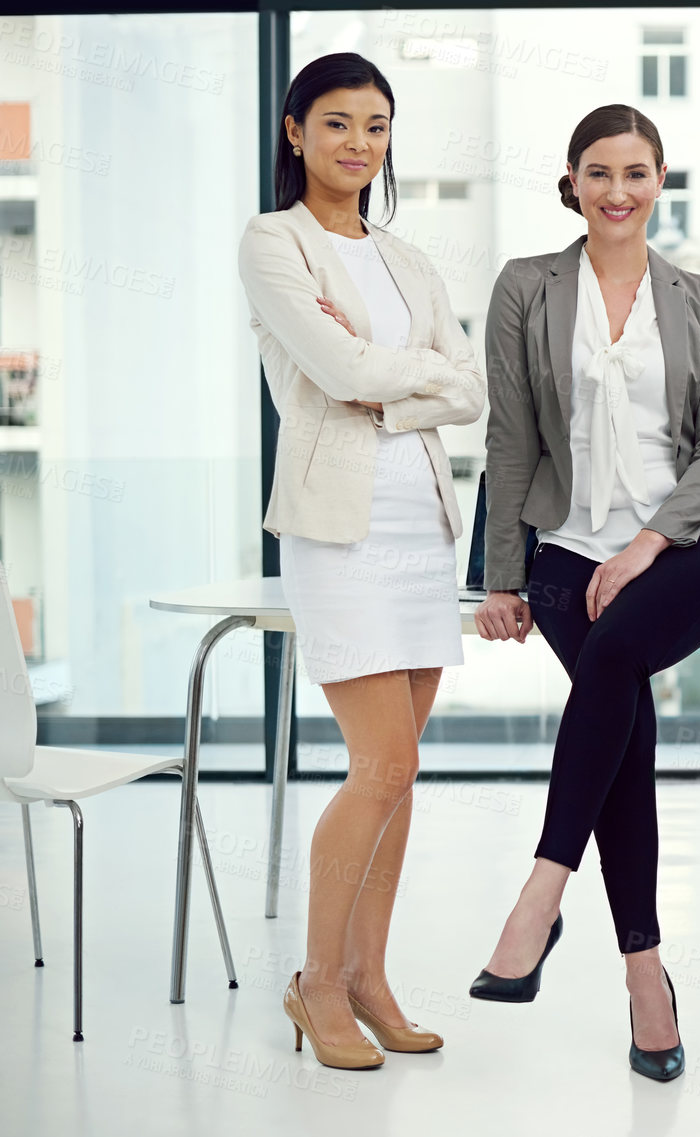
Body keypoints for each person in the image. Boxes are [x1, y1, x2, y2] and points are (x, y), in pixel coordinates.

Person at [470, 104, 700, 1083]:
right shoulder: (527, 287)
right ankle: (647, 981)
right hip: (564, 552)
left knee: (617, 657)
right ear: (574, 181)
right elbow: (510, 439)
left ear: (659, 182)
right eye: (599, 172)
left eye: (636, 173)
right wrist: (501, 578)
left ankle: (542, 891)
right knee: (621, 707)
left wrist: (645, 546)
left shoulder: (699, 297)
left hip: (692, 546)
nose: (617, 191)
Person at [238, 53, 483, 1070]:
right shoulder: (273, 243)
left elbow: (466, 389)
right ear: (295, 132)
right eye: (336, 124)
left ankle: (372, 978)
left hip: (420, 525)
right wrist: (395, 375)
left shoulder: (406, 259)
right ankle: (318, 985)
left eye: (376, 126)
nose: (358, 145)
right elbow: (331, 369)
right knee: (380, 763)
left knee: (401, 775)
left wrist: (390, 381)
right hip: (337, 529)